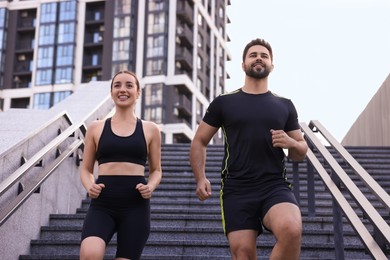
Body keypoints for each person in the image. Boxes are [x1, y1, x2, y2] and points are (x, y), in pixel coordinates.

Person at [190, 38, 308, 260]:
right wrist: (200, 177)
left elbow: (301, 151)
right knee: (243, 253)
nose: (259, 58)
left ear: (271, 65)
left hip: (274, 185)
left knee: (292, 230)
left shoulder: (285, 105)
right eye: (253, 55)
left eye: (264, 55)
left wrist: (291, 143)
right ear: (243, 65)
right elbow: (199, 141)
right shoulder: (224, 102)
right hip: (237, 188)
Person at [79, 70, 162, 260]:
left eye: (129, 85)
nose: (122, 89)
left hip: (136, 205)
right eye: (117, 85)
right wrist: (89, 185)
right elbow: (86, 169)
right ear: (111, 92)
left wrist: (151, 186)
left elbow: (156, 170)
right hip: (103, 203)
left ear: (138, 93)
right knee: (90, 254)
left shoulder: (151, 129)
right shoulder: (95, 127)